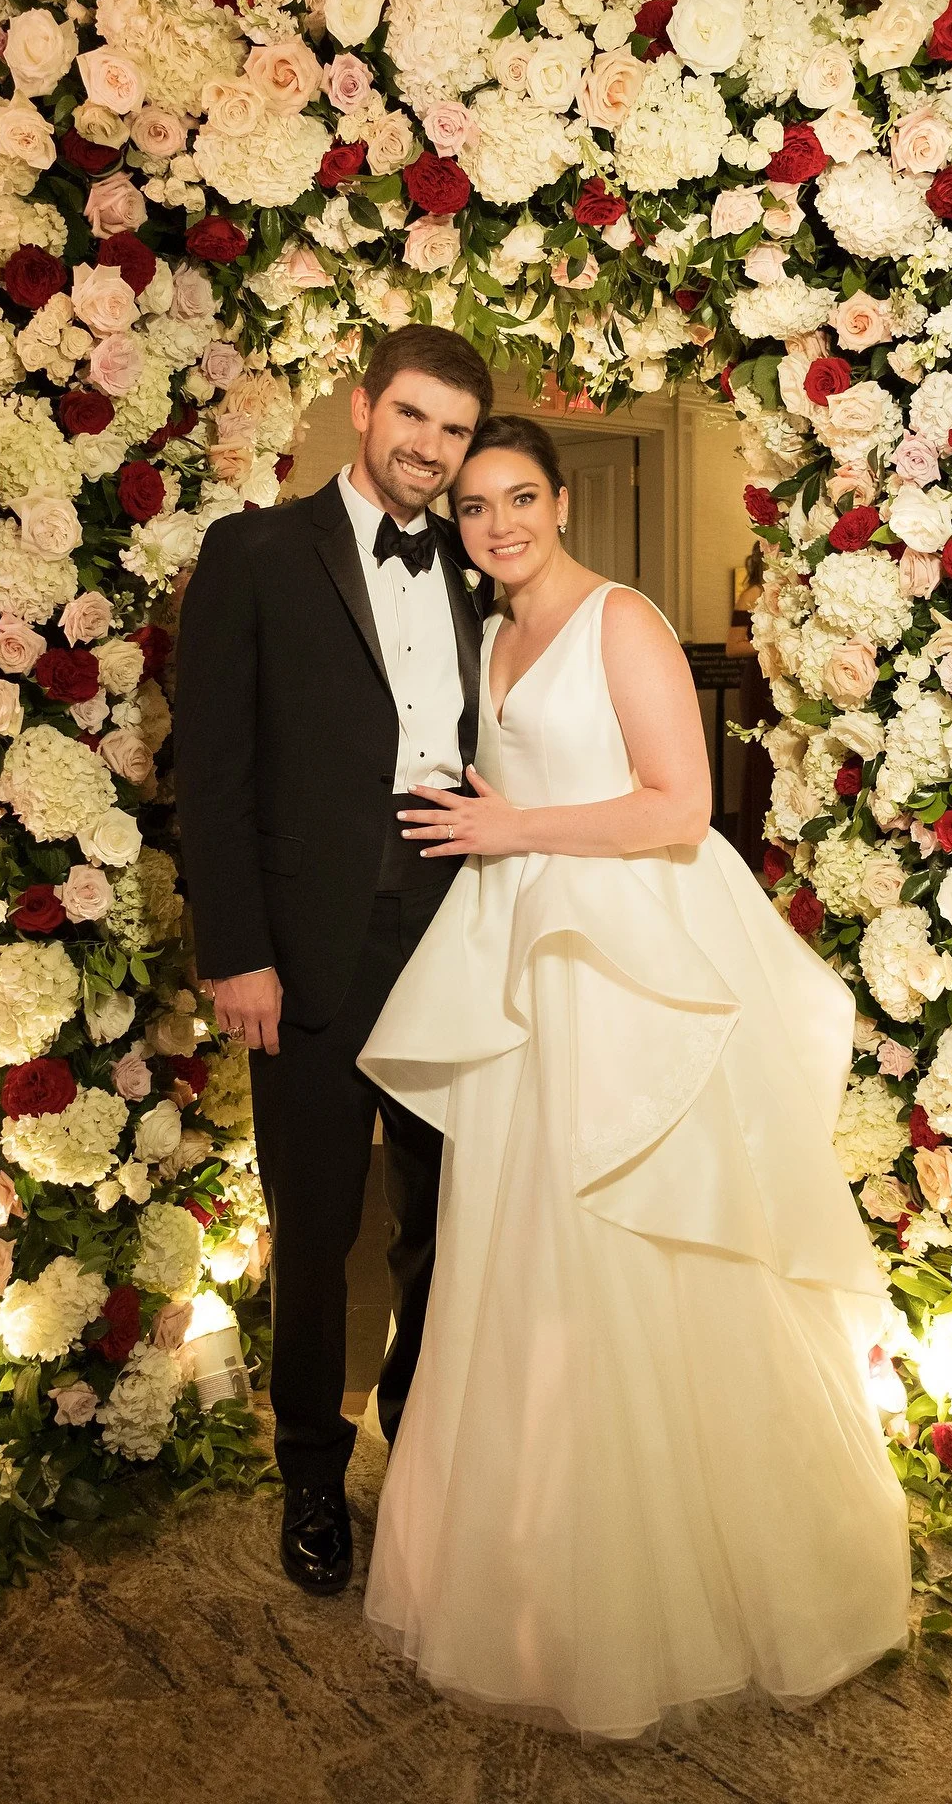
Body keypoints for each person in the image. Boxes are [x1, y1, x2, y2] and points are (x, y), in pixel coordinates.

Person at [357, 415, 910, 1739]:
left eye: (522, 498)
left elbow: (678, 804)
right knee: (525, 1257)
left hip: (628, 965)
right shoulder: (491, 637)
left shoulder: (624, 620)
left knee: (640, 1241)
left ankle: (703, 1576)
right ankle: (539, 1555)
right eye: (479, 505)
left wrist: (513, 827)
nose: (501, 524)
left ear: (560, 501)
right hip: (528, 969)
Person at [174, 324, 494, 1599]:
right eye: (411, 416)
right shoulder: (254, 550)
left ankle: (417, 1444)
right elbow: (212, 766)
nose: (428, 447)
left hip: (453, 935)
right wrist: (237, 951)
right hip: (306, 952)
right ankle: (313, 1466)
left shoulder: (484, 565)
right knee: (312, 1226)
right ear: (363, 408)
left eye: (454, 430)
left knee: (441, 1223)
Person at [724, 549, 777, 871]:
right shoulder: (752, 593)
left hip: (778, 680)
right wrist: (774, 643)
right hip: (758, 684)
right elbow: (733, 646)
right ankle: (753, 852)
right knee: (761, 762)